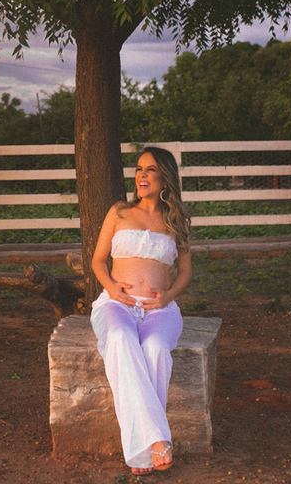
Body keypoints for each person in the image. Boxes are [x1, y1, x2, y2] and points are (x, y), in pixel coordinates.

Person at [90, 146, 192, 475]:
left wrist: (168, 296)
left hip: (159, 309)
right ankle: (157, 440)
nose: (142, 175)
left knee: (156, 348)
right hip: (117, 304)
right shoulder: (119, 212)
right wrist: (111, 288)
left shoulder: (176, 221)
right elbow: (98, 261)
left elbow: (185, 271)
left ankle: (141, 453)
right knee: (120, 339)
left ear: (165, 177)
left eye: (150, 169)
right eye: (138, 169)